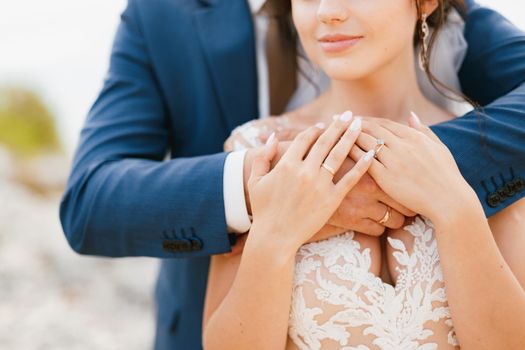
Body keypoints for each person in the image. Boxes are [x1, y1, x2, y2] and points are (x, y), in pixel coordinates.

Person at [59, 0, 525, 348]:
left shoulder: (488, 150)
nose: (327, 12)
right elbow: (90, 200)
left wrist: (449, 198)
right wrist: (269, 215)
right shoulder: (254, 143)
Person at [202, 1, 525, 349]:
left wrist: (456, 210)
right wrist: (274, 237)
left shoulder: (488, 146)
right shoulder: (257, 150)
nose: (327, 11)